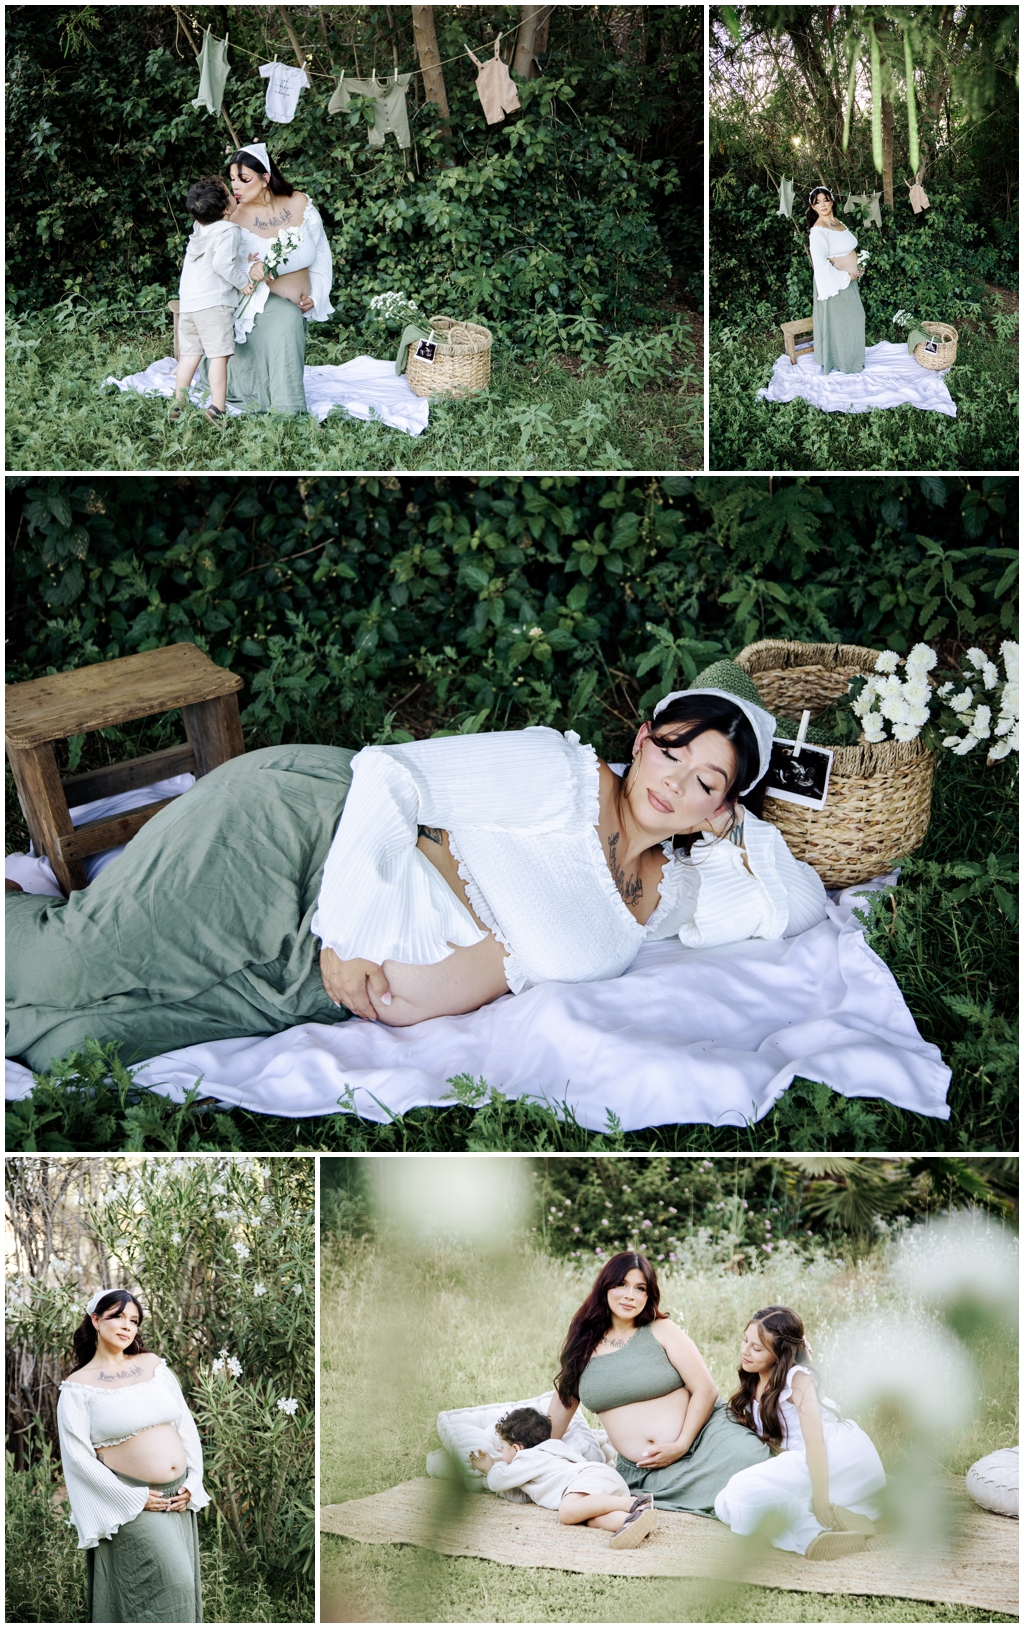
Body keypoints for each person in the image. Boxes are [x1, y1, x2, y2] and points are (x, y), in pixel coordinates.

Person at [6, 661, 828, 1073]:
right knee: (70, 962)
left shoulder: (668, 891)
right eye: (672, 754)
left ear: (719, 809)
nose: (673, 786)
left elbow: (789, 907)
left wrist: (743, 825)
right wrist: (352, 936)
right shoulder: (561, 773)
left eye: (705, 784)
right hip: (310, 846)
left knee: (79, 1049)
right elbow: (393, 776)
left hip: (320, 985)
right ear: (643, 740)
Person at [547, 1251, 772, 1514]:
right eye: (621, 1284)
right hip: (648, 1472)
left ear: (648, 1295)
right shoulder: (583, 1346)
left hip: (704, 1437)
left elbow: (706, 1389)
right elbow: (562, 1406)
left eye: (640, 1288)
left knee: (753, 1466)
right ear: (604, 1287)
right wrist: (535, 1451)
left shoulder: (660, 1329)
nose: (630, 1295)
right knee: (735, 1498)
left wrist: (681, 1444)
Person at [56, 1288, 210, 1622]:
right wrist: (132, 1498)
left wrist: (193, 1481)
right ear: (96, 1320)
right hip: (134, 1499)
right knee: (175, 1583)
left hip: (177, 1496)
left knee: (174, 1594)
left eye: (134, 1320)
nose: (128, 1326)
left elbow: (184, 1425)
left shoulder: (153, 1366)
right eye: (118, 1317)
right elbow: (79, 1459)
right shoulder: (78, 1387)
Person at [714, 1304, 886, 1560]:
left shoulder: (798, 1379)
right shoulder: (755, 1378)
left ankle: (813, 1533)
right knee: (724, 1504)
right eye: (744, 1341)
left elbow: (815, 1441)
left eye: (757, 1348)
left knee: (740, 1490)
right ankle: (846, 1518)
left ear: (780, 1354)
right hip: (805, 1461)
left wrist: (820, 1496)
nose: (745, 1351)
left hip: (834, 1455)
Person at [199, 140, 334, 416]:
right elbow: (214, 267)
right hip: (251, 304)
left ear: (265, 179)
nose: (234, 186)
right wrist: (248, 271)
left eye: (243, 179)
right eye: (233, 179)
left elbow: (321, 254)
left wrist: (317, 296)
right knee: (287, 317)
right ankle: (288, 409)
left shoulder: (299, 203)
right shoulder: (231, 218)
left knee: (289, 317)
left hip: (297, 306)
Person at [469, 1406, 659, 1549]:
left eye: (502, 1448)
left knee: (568, 1512)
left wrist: (491, 1467)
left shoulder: (528, 1458)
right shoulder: (546, 1457)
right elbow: (522, 1495)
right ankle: (630, 1520)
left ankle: (635, 1503)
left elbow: (497, 1480)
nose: (501, 1454)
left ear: (517, 1448)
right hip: (602, 1485)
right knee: (587, 1518)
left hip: (589, 1478)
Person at [171, 175, 253, 426]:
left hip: (189, 304)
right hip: (212, 305)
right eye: (230, 193)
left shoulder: (198, 229)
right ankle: (217, 408)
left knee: (190, 355)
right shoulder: (229, 230)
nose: (234, 193)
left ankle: (178, 404)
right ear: (227, 208)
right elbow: (222, 265)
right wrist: (243, 283)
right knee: (218, 356)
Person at [807, 186, 865, 376]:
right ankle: (844, 363)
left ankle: (852, 359)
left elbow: (846, 250)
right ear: (813, 207)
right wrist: (845, 276)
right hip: (835, 283)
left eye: (825, 200)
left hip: (850, 282)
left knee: (855, 320)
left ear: (832, 201)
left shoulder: (838, 223)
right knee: (844, 323)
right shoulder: (818, 231)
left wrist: (858, 266)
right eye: (818, 202)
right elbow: (820, 265)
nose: (822, 205)